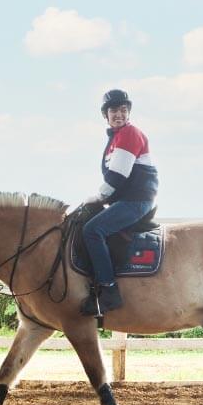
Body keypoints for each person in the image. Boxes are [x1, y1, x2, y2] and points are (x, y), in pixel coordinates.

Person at [80, 89, 158, 315]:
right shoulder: (115, 138)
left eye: (124, 110)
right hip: (126, 198)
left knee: (92, 231)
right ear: (105, 114)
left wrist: (96, 198)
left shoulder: (129, 134)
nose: (119, 114)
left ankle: (109, 290)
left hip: (136, 200)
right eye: (114, 110)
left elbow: (117, 176)